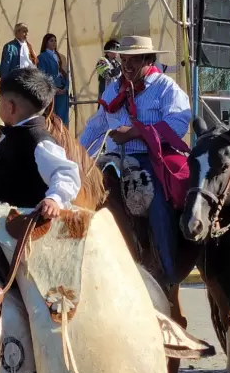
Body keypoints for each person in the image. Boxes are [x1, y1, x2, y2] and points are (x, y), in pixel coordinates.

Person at [79, 35, 191, 286]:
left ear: (149, 59)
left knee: (156, 201)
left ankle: (167, 272)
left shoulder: (165, 88)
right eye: (123, 60)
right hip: (112, 158)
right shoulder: (113, 89)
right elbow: (96, 126)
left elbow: (178, 122)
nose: (126, 66)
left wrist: (135, 132)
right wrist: (75, 154)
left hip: (147, 158)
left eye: (133, 60)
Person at [0, 67, 81, 218]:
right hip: (1, 226)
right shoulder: (14, 135)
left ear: (10, 106)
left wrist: (54, 198)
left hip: (26, 229)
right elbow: (7, 169)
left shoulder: (38, 141)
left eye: (0, 100)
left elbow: (66, 173)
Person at [37, 33, 70, 125]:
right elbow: (43, 76)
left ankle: (63, 137)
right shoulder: (42, 57)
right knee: (53, 117)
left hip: (63, 90)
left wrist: (66, 87)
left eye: (55, 40)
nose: (54, 42)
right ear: (46, 42)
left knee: (63, 118)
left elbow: (66, 73)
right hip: (52, 92)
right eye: (51, 40)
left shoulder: (61, 57)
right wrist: (53, 89)